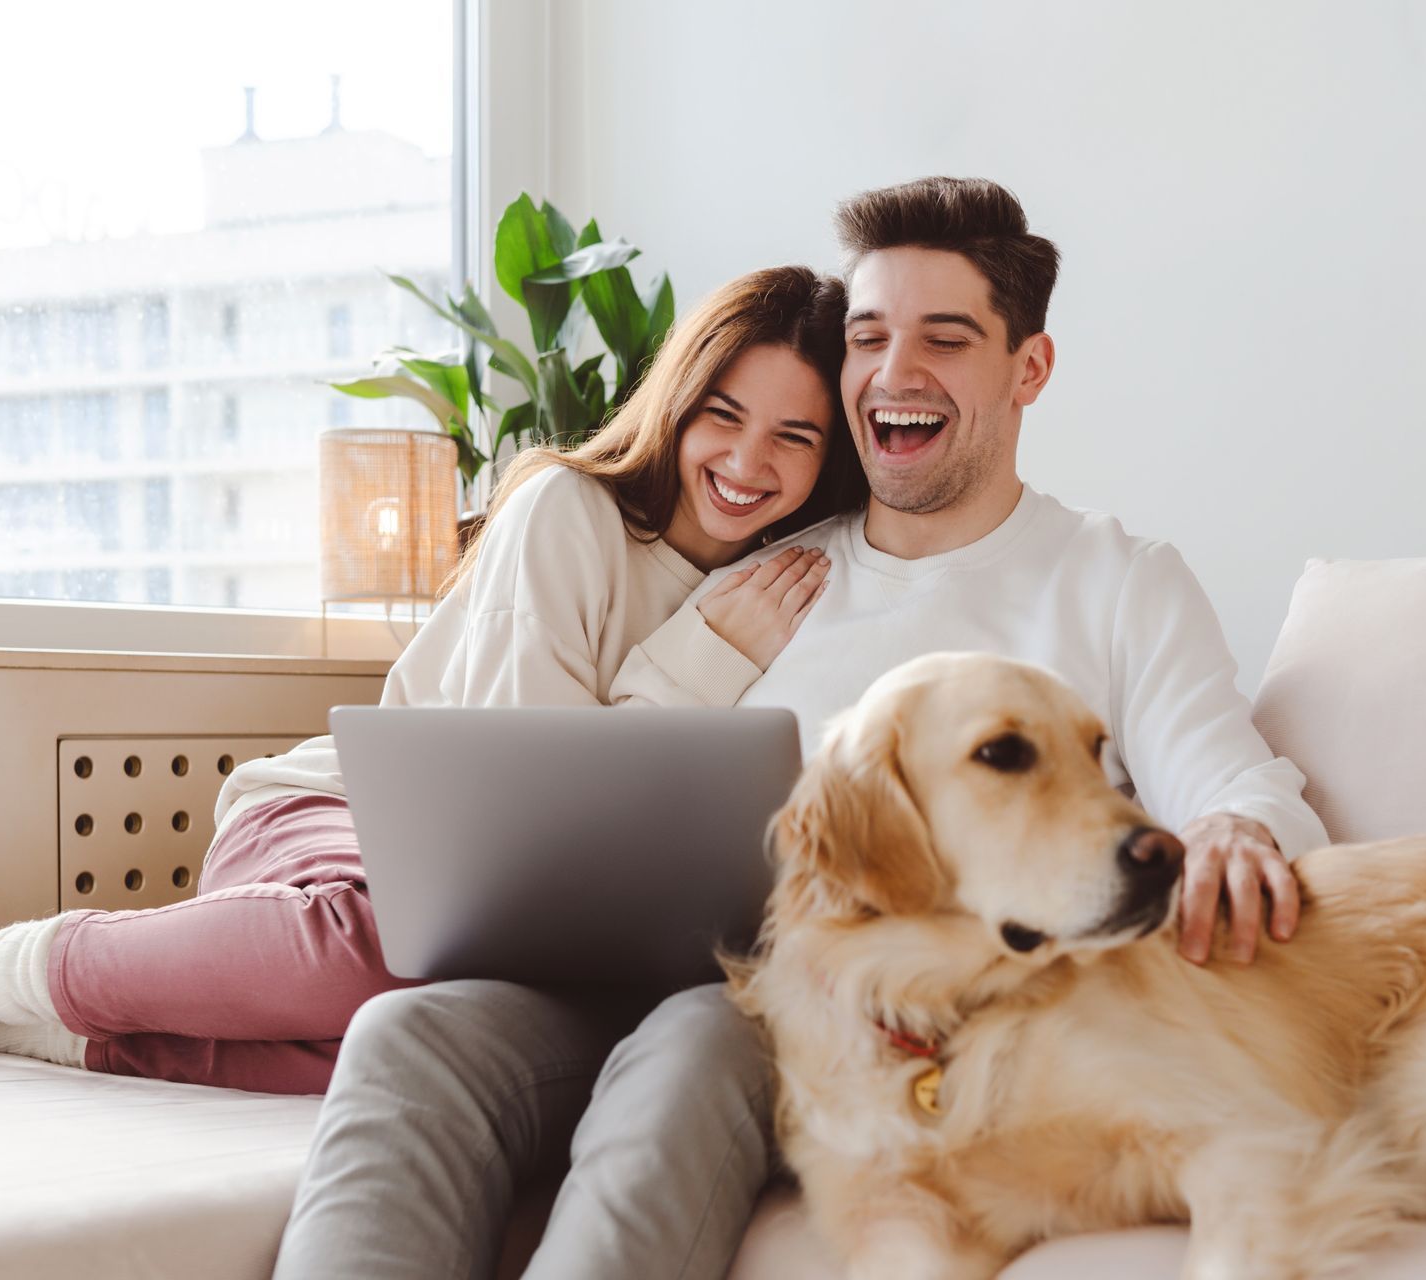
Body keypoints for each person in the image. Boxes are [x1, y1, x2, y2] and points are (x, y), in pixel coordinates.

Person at [277, 177, 1329, 1277]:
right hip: (645, 971)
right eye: (868, 337)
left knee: (692, 1041)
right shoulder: (769, 564)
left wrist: (1239, 831)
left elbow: (1240, 787)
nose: (894, 372)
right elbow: (606, 772)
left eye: (945, 338)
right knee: (408, 1033)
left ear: (1029, 368)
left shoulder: (1114, 580)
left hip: (841, 1014)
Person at [0, 264, 866, 1095]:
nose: (747, 461)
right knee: (374, 952)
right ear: (678, 403)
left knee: (417, 1032)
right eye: (724, 414)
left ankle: (65, 1037)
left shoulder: (804, 582)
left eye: (795, 439)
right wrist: (700, 656)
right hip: (336, 826)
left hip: (492, 915)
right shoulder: (573, 513)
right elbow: (538, 822)